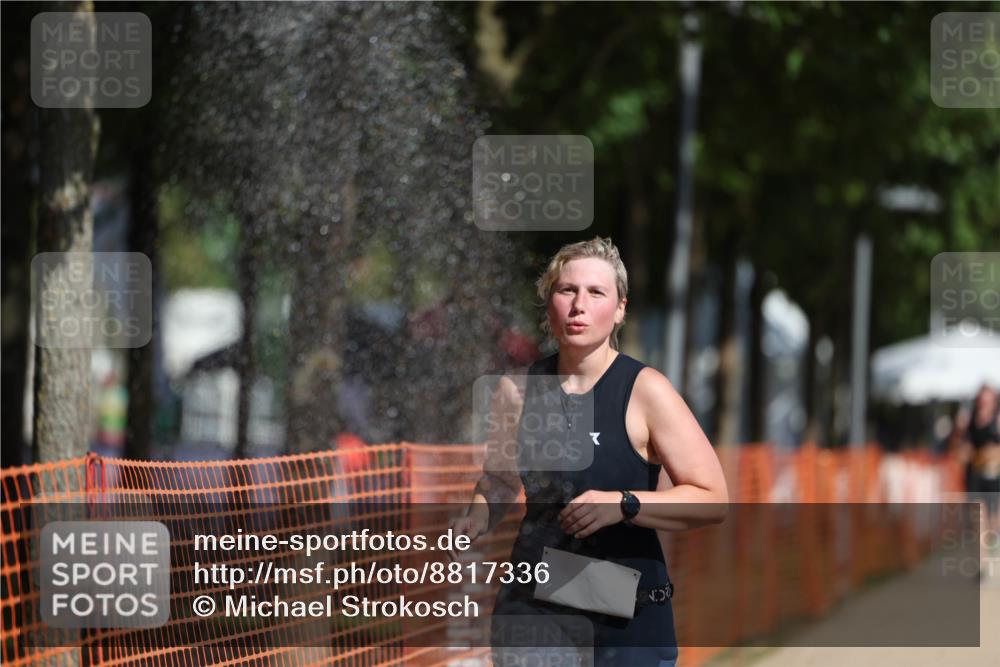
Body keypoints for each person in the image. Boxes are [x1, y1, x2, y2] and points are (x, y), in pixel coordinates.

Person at [450, 237, 728, 666]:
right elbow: (500, 480)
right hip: (536, 604)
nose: (579, 305)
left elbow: (712, 499)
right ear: (550, 304)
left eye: (596, 293)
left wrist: (625, 505)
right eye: (567, 290)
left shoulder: (645, 390)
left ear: (619, 308)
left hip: (626, 613)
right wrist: (477, 515)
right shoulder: (516, 391)